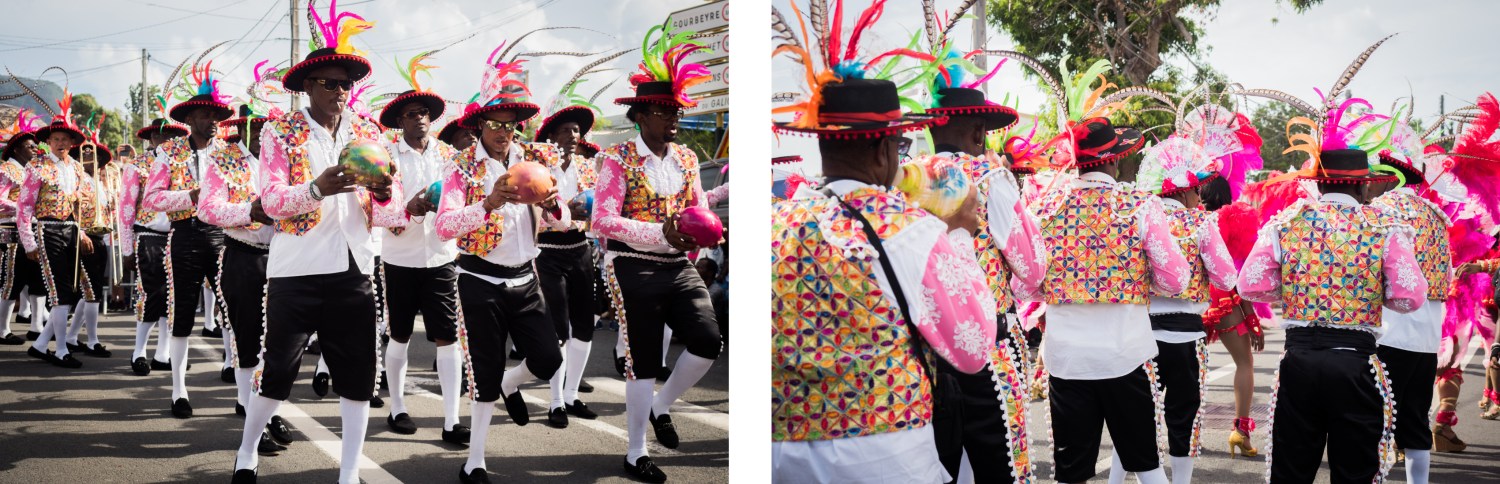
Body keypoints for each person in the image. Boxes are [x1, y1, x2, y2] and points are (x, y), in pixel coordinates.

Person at [770, 2, 996, 480]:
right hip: (884, 450)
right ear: (882, 149)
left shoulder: (778, 223)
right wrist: (961, 242)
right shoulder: (912, 229)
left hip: (782, 454)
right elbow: (971, 349)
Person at [231, 4, 405, 481]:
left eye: (346, 84)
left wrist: (388, 193)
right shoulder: (279, 132)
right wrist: (316, 189)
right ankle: (247, 450)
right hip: (297, 269)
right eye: (329, 83)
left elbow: (391, 214)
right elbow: (270, 200)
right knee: (279, 371)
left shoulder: (370, 132)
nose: (340, 91)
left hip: (355, 268)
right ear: (307, 86)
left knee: (357, 377)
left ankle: (349, 473)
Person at [1238, 143, 1428, 482]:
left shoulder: (1287, 221)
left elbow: (1250, 286)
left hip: (1299, 360)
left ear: (1318, 183)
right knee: (1354, 470)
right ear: (1364, 184)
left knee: (1291, 470)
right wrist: (1369, 295)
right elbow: (1409, 296)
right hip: (1354, 364)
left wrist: (1296, 291)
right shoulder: (1384, 225)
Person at [1020, 117, 1189, 484]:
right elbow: (1177, 280)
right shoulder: (1139, 205)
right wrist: (1138, 279)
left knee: (1071, 473)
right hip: (1123, 353)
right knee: (1146, 465)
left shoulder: (1043, 209)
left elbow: (1028, 283)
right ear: (1113, 160)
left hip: (1067, 359)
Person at [432, 44, 570, 484]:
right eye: (493, 124)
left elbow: (565, 218)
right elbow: (445, 226)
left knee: (549, 360)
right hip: (477, 280)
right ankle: (474, 461)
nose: (502, 132)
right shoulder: (460, 169)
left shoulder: (538, 162)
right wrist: (487, 203)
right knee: (484, 374)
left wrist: (553, 207)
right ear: (478, 127)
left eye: (509, 126)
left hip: (526, 281)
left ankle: (515, 383)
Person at [597, 23, 726, 483]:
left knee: (709, 340)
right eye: (665, 111)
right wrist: (662, 230)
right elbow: (603, 221)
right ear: (643, 115)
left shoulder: (688, 158)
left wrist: (705, 235)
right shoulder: (616, 160)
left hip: (679, 266)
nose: (674, 119)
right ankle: (635, 452)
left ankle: (662, 404)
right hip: (630, 264)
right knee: (643, 359)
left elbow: (698, 207)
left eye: (676, 111)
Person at [916, 55, 1046, 482]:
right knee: (999, 465)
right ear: (976, 131)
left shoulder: (909, 179)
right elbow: (1030, 269)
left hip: (925, 350)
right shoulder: (991, 177)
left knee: (944, 464)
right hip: (987, 343)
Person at [1109, 136, 1238, 484]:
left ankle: (1114, 482)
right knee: (1184, 416)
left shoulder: (1135, 218)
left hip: (1139, 332)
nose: (1200, 197)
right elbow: (1227, 276)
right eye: (1197, 189)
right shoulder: (1200, 223)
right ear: (1182, 192)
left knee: (1133, 415)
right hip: (1186, 337)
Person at [374, 56, 470, 445]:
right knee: (398, 336)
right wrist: (408, 210)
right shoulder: (386, 155)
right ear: (400, 122)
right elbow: (376, 206)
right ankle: (398, 407)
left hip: (442, 258)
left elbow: (461, 200)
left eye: (425, 113)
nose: (419, 119)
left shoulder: (449, 156)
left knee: (447, 337)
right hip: (399, 257)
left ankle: (450, 419)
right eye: (411, 114)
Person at [200, 101, 296, 454]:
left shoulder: (287, 157)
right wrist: (248, 211)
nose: (267, 132)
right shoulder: (223, 159)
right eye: (260, 126)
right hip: (243, 255)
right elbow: (207, 209)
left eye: (273, 125)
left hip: (286, 257)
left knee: (282, 341)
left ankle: (271, 412)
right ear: (245, 128)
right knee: (248, 339)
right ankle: (247, 407)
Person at [1363, 115, 1451, 483]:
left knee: (1374, 421)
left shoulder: (1382, 212)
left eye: (1370, 178)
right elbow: (1445, 278)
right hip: (1427, 337)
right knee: (1415, 421)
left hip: (1389, 333)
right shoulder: (1437, 216)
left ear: (1387, 176)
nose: (1365, 185)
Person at [142, 63, 233, 419]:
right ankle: (179, 390)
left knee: (232, 310)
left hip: (224, 237)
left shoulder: (230, 153)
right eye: (205, 114)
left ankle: (237, 377)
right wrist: (191, 196)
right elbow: (152, 198)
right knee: (181, 314)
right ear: (190, 118)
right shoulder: (170, 152)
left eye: (215, 115)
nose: (212, 120)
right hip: (184, 236)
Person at [535, 96, 601, 429]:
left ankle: (572, 394)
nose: (573, 135)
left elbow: (596, 208)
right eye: (565, 130)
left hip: (579, 248)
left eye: (576, 130)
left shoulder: (588, 167)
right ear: (552, 136)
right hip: (547, 249)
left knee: (584, 325)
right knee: (559, 327)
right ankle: (556, 401)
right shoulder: (539, 168)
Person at [20, 100, 99, 370]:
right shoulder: (36, 166)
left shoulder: (77, 167)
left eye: (65, 138)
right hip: (48, 230)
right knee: (60, 291)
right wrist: (28, 241)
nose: (60, 143)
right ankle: (61, 348)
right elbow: (24, 206)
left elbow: (82, 203)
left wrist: (83, 230)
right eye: (55, 138)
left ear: (72, 142)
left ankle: (42, 344)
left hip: (71, 230)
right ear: (48, 142)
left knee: (71, 290)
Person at [1198, 176, 1265, 457]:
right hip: (1222, 297)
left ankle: (1185, 434)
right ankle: (1240, 431)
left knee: (1189, 369)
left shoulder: (1187, 218)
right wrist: (1251, 318)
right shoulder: (1233, 218)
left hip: (1189, 300)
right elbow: (1239, 274)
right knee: (1244, 363)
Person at [121, 117, 186, 375]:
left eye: (172, 135)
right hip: (149, 236)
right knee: (151, 294)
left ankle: (162, 354)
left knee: (172, 298)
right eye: (162, 136)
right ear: (151, 139)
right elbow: (126, 208)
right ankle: (139, 352)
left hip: (177, 235)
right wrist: (127, 248)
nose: (167, 140)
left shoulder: (181, 162)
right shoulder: (138, 165)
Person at [0, 111, 42, 345]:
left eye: (34, 146)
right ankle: (2, 329)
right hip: (11, 232)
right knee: (11, 281)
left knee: (37, 279)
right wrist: (22, 208)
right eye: (29, 146)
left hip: (33, 230)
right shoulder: (7, 169)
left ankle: (36, 326)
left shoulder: (32, 171)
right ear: (16, 149)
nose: (34, 149)